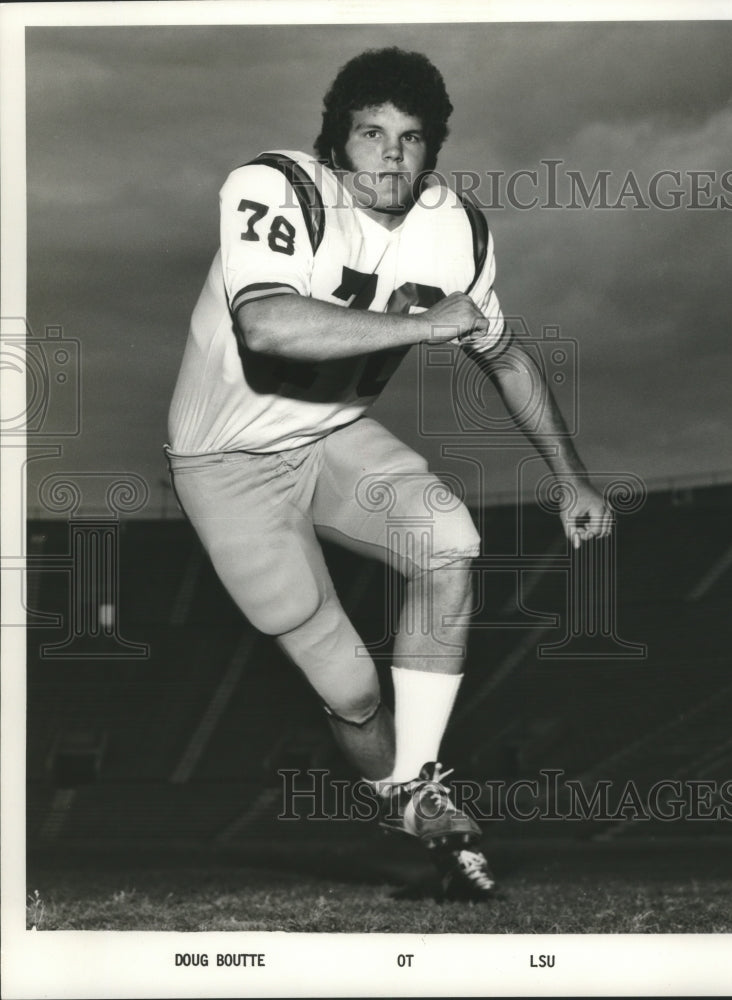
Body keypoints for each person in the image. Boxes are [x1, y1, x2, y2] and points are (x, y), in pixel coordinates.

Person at [167, 47, 611, 899]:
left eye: (412, 138)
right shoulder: (276, 187)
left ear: (433, 149)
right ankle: (399, 799)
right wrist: (423, 328)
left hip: (334, 439)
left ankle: (424, 781)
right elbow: (269, 328)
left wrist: (571, 477)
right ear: (336, 140)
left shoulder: (457, 229)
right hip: (226, 466)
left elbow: (506, 358)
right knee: (352, 690)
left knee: (453, 541)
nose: (392, 155)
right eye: (371, 133)